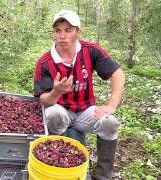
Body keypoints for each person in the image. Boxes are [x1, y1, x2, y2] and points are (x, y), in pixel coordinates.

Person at [33, 9, 125, 180]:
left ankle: (103, 175)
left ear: (78, 32)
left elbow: (118, 75)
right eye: (58, 30)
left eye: (68, 30)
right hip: (61, 110)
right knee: (53, 114)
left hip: (85, 111)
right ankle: (59, 163)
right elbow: (44, 100)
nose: (62, 36)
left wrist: (111, 106)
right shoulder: (45, 62)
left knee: (109, 123)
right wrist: (57, 91)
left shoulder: (90, 51)